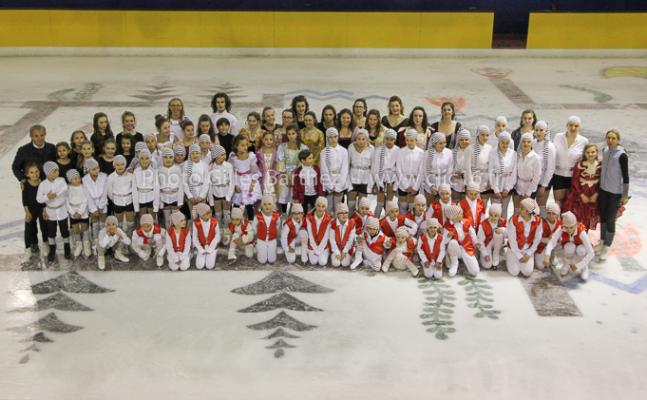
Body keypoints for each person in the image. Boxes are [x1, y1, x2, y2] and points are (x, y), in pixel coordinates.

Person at [597, 129, 630, 261]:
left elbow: (626, 177)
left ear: (618, 140)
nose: (610, 140)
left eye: (613, 138)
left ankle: (607, 245)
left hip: (615, 192)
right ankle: (602, 240)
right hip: (603, 190)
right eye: (608, 138)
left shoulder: (622, 155)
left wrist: (625, 195)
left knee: (610, 218)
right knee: (603, 216)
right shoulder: (605, 151)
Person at [37, 161, 71, 264]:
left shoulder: (61, 180)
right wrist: (47, 197)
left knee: (64, 229)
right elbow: (39, 199)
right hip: (50, 211)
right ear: (47, 173)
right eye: (54, 171)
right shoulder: (42, 184)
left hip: (62, 210)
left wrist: (55, 194)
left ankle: (66, 246)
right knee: (51, 232)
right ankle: (52, 248)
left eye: (57, 170)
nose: (57, 172)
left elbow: (65, 188)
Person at [562, 144, 601, 231]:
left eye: (593, 152)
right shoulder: (579, 165)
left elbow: (601, 182)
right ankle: (573, 235)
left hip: (593, 195)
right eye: (588, 152)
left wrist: (596, 194)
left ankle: (584, 235)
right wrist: (582, 195)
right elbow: (575, 181)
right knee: (577, 214)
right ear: (584, 153)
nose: (590, 154)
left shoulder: (600, 165)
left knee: (588, 216)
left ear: (597, 153)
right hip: (579, 194)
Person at [551, 116, 589, 205]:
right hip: (558, 174)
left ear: (579, 127)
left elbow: (586, 160)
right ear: (566, 126)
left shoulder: (584, 141)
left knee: (571, 204)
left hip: (574, 176)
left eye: (576, 126)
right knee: (558, 203)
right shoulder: (558, 137)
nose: (573, 128)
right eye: (570, 125)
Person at [547, 211, 593, 281]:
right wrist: (547, 254)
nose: (568, 230)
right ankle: (567, 264)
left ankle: (584, 268)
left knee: (581, 250)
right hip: (570, 245)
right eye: (566, 227)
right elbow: (552, 242)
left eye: (571, 227)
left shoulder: (582, 232)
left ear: (575, 225)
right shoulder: (561, 229)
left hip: (581, 247)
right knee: (569, 247)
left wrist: (578, 265)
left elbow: (591, 253)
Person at [505, 198, 543, 277]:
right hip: (514, 248)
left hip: (527, 249)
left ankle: (522, 261)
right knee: (514, 272)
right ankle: (509, 255)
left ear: (528, 212)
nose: (519, 210)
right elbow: (512, 240)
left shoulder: (538, 221)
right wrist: (519, 255)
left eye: (522, 208)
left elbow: (537, 239)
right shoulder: (514, 219)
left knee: (527, 272)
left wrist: (529, 253)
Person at [276, 125, 307, 213]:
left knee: (295, 195)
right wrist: (286, 177)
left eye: (293, 133)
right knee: (283, 194)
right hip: (284, 174)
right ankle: (284, 214)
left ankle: (294, 213)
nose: (291, 136)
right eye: (289, 134)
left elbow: (302, 163)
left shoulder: (303, 147)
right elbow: (280, 161)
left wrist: (294, 177)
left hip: (297, 174)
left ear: (297, 134)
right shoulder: (282, 146)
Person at [21, 163, 48, 263]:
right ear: (27, 174)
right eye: (31, 172)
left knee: (44, 226)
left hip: (42, 209)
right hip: (31, 210)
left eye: (36, 172)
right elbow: (25, 201)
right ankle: (28, 248)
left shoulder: (43, 183)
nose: (35, 174)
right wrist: (27, 213)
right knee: (29, 228)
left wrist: (45, 210)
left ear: (39, 172)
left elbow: (45, 199)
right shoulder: (26, 185)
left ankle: (45, 243)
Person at [230, 136, 261, 220]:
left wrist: (252, 185)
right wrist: (235, 185)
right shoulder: (233, 157)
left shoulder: (251, 156)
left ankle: (250, 222)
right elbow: (231, 172)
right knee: (237, 203)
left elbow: (255, 172)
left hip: (248, 181)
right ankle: (234, 221)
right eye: (242, 145)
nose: (245, 147)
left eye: (246, 145)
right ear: (236, 146)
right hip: (238, 180)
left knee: (249, 204)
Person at [107, 155, 136, 245]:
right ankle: (121, 240)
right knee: (118, 223)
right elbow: (109, 192)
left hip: (129, 200)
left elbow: (133, 188)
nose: (120, 166)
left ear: (125, 165)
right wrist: (116, 199)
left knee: (130, 223)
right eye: (117, 164)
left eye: (122, 164)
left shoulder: (131, 176)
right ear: (114, 165)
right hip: (118, 201)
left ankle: (130, 238)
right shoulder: (111, 177)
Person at [443, 204, 480, 277]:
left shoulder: (466, 222)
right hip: (456, 250)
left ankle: (466, 260)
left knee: (475, 271)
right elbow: (443, 241)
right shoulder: (448, 226)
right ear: (453, 217)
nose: (462, 214)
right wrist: (448, 236)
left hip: (467, 248)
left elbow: (472, 234)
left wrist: (476, 242)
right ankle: (454, 263)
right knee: (452, 242)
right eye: (459, 213)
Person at [319, 127, 349, 214]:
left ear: (338, 137)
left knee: (338, 208)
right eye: (330, 137)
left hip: (340, 182)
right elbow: (324, 170)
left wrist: (339, 185)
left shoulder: (344, 151)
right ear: (327, 138)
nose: (333, 139)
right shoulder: (324, 152)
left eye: (335, 136)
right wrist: (330, 185)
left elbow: (344, 169)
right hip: (328, 182)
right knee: (328, 208)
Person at [371, 128, 399, 217]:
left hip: (392, 176)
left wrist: (396, 180)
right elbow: (375, 166)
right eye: (387, 139)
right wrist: (376, 180)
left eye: (392, 139)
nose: (389, 141)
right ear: (384, 139)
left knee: (389, 201)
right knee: (380, 200)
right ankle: (375, 218)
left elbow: (398, 166)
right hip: (381, 175)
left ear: (395, 140)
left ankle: (387, 219)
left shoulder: (398, 150)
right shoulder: (379, 150)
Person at [489, 131, 517, 219]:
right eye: (502, 143)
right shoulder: (493, 153)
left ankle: (503, 229)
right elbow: (490, 171)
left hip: (507, 184)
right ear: (499, 142)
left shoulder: (513, 154)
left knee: (504, 210)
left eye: (507, 143)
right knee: (495, 211)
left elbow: (514, 172)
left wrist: (508, 188)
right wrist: (495, 189)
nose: (505, 145)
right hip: (496, 184)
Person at [83, 158, 108, 254]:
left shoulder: (104, 176)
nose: (96, 170)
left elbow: (105, 192)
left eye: (98, 168)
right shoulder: (85, 179)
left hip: (103, 204)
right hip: (91, 204)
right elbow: (87, 195)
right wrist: (93, 209)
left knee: (102, 224)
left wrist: (101, 206)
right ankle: (96, 242)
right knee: (95, 225)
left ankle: (103, 242)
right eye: (93, 169)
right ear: (88, 170)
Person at [396, 130, 425, 212]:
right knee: (402, 206)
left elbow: (421, 171)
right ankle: (401, 221)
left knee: (412, 206)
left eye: (411, 140)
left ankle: (411, 222)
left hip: (415, 181)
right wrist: (405, 185)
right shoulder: (401, 151)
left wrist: (416, 186)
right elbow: (398, 169)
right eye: (407, 140)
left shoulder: (421, 153)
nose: (409, 142)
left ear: (416, 140)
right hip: (403, 182)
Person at [346, 129, 373, 215]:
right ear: (355, 139)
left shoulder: (371, 149)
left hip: (365, 178)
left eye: (363, 139)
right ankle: (350, 218)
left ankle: (360, 220)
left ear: (367, 139)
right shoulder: (351, 147)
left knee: (362, 203)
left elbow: (373, 165)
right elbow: (347, 163)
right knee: (351, 203)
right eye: (359, 139)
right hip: (353, 177)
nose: (361, 141)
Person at [513, 132, 541, 212]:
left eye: (528, 142)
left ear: (532, 144)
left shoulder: (536, 158)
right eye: (524, 141)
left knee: (526, 212)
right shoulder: (518, 156)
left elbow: (536, 177)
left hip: (530, 188)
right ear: (521, 143)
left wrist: (528, 193)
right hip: (518, 187)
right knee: (516, 210)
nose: (526, 143)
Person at [532, 120, 556, 217]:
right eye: (536, 130)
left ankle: (543, 229)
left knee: (541, 205)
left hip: (543, 181)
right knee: (530, 206)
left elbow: (550, 168)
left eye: (541, 130)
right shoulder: (533, 143)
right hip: (533, 180)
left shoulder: (550, 147)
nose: (538, 132)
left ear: (546, 131)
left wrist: (544, 185)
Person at [65, 169, 91, 259]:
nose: (77, 180)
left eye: (78, 178)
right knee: (76, 229)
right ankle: (79, 244)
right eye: (74, 179)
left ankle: (86, 243)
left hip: (83, 211)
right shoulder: (68, 188)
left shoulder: (83, 187)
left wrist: (80, 212)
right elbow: (66, 202)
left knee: (85, 228)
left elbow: (85, 199)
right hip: (73, 211)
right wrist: (73, 212)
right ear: (70, 180)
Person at [423, 132, 453, 205]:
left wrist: (446, 185)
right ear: (434, 143)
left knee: (444, 206)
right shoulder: (427, 153)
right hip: (430, 182)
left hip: (444, 182)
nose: (443, 145)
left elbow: (450, 170)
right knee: (430, 206)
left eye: (444, 143)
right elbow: (425, 171)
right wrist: (430, 185)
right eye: (440, 143)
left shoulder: (449, 152)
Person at [207, 145, 235, 225]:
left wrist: (229, 196)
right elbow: (209, 185)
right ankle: (218, 231)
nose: (224, 156)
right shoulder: (210, 168)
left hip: (226, 193)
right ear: (215, 156)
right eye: (222, 155)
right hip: (215, 194)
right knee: (218, 215)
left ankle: (227, 231)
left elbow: (232, 182)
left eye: (225, 154)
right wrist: (211, 200)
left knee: (227, 214)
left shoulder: (228, 166)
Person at [157, 148, 184, 229]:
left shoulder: (177, 169)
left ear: (173, 158)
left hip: (175, 197)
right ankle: (168, 233)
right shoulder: (159, 170)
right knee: (167, 219)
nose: (168, 159)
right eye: (165, 157)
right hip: (164, 197)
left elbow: (181, 186)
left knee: (176, 218)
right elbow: (157, 187)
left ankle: (177, 234)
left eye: (170, 157)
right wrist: (160, 202)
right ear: (162, 158)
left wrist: (180, 201)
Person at [292, 149, 324, 214]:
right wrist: (296, 198)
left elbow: (320, 183)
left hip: (314, 195)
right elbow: (296, 186)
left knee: (315, 212)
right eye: (309, 158)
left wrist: (321, 195)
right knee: (303, 212)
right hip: (303, 196)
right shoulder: (298, 171)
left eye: (312, 158)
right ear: (303, 161)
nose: (312, 160)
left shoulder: (316, 169)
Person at [253, 195, 282, 265]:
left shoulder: (276, 216)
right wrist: (257, 233)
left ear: (272, 205)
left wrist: (275, 232)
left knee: (272, 260)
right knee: (262, 260)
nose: (267, 206)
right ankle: (260, 249)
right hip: (261, 239)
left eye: (269, 204)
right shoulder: (258, 216)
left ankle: (270, 253)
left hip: (272, 239)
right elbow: (254, 226)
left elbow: (278, 225)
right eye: (264, 204)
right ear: (261, 206)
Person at [476, 203, 506, 269]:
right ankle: (487, 253)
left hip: (497, 242)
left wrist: (503, 230)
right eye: (491, 215)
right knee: (487, 265)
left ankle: (496, 256)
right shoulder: (483, 224)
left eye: (496, 215)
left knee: (499, 233)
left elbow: (509, 234)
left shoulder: (502, 221)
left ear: (499, 216)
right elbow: (480, 241)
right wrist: (485, 254)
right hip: (486, 243)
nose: (493, 217)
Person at [132, 149, 159, 219]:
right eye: (142, 158)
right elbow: (134, 190)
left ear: (150, 159)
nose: (144, 161)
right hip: (140, 199)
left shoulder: (154, 171)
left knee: (152, 219)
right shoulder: (136, 172)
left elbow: (156, 189)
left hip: (151, 198)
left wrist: (156, 206)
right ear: (139, 159)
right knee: (142, 219)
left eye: (147, 158)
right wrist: (136, 207)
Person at [192, 202, 220, 270]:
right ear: (201, 215)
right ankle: (201, 254)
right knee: (199, 266)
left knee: (209, 266)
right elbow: (195, 238)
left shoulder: (214, 221)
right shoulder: (196, 223)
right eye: (207, 213)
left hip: (212, 246)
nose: (210, 214)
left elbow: (217, 236)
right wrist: (201, 250)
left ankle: (213, 253)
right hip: (202, 246)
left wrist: (210, 249)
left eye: (210, 212)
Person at [306, 196, 333, 267]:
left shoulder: (329, 219)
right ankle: (313, 251)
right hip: (313, 244)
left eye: (323, 206)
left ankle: (325, 253)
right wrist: (315, 248)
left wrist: (319, 250)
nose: (320, 208)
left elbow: (326, 236)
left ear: (326, 207)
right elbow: (310, 235)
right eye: (318, 206)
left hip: (323, 246)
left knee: (322, 262)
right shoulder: (309, 217)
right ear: (315, 205)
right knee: (313, 262)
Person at [329, 202, 357, 268]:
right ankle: (332, 255)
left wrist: (344, 251)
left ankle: (351, 256)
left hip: (346, 248)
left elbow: (350, 240)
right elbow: (332, 239)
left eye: (346, 213)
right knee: (336, 263)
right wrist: (337, 252)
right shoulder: (333, 224)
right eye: (341, 213)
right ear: (337, 214)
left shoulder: (351, 223)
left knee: (345, 263)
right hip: (336, 248)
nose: (344, 215)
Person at [534, 202, 562, 269]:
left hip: (553, 245)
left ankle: (553, 256)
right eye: (549, 213)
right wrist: (546, 240)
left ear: (557, 215)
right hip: (541, 246)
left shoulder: (559, 223)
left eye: (553, 213)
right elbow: (536, 238)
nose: (551, 215)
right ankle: (536, 255)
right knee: (541, 266)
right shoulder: (542, 223)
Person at [471, 125, 493, 205]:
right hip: (474, 180)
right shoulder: (471, 148)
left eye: (487, 135)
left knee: (484, 206)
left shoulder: (490, 148)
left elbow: (491, 166)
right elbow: (469, 167)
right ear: (478, 134)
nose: (485, 137)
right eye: (482, 135)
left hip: (485, 181)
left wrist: (490, 181)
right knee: (474, 206)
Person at [256, 131, 279, 205]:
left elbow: (277, 165)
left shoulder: (276, 152)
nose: (268, 141)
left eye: (270, 139)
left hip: (272, 177)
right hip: (262, 177)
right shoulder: (259, 152)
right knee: (263, 194)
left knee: (272, 194)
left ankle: (273, 211)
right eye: (266, 139)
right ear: (262, 140)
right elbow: (256, 165)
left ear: (273, 140)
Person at [450, 129, 472, 201]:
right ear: (458, 141)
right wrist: (454, 173)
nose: (464, 142)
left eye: (466, 139)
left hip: (469, 183)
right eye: (461, 140)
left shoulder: (473, 152)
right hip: (456, 183)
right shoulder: (453, 152)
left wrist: (465, 174)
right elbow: (449, 167)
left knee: (467, 203)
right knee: (455, 202)